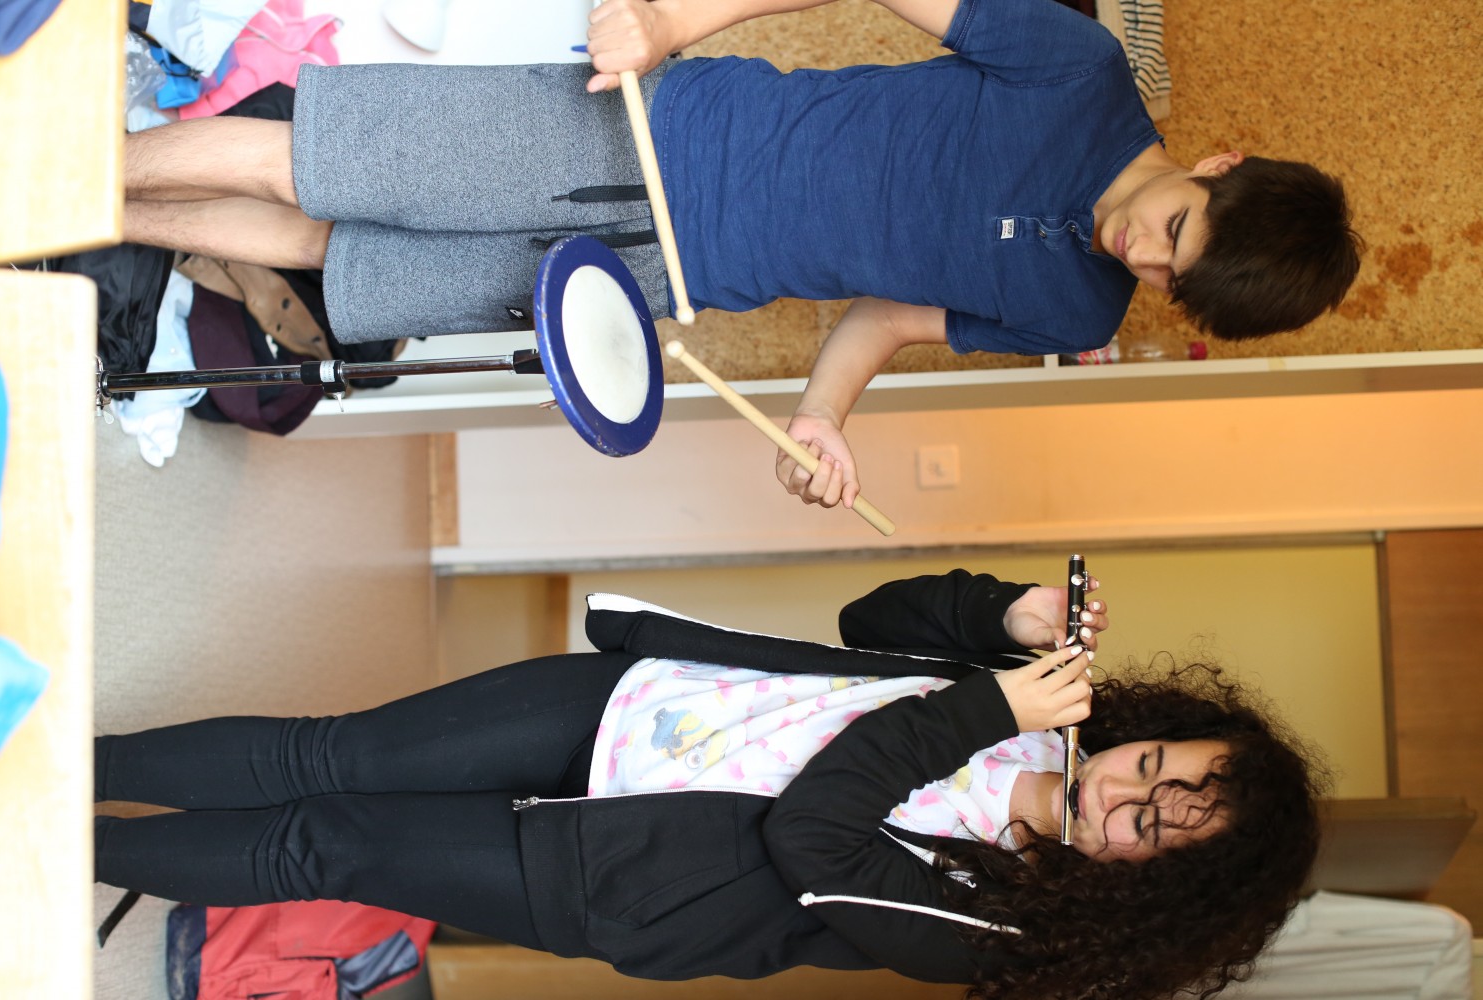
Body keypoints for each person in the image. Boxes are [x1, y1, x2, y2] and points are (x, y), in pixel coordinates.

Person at [120, 0, 1362, 511]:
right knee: (307, 165)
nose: (1141, 256)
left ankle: (85, 213)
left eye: (1169, 281)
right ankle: (44, 176)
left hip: (668, 280)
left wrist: (824, 416)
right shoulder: (1079, 68)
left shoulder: (1075, 309)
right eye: (1175, 230)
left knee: (335, 252)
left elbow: (887, 316)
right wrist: (664, 21)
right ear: (1217, 163)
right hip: (659, 131)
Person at [96, 569, 1326, 999]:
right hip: (645, 706)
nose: (1122, 792)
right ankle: (64, 763)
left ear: (1151, 887)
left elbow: (816, 842)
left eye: (1151, 824)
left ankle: (50, 841)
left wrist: (983, 707)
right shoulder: (1045, 707)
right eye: (1151, 765)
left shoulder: (1010, 921)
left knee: (324, 844)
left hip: (621, 871)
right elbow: (868, 626)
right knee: (329, 752)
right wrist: (997, 616)